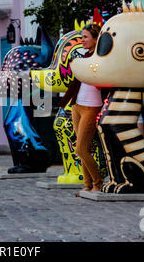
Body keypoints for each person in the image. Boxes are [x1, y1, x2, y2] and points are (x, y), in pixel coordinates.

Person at [60, 23, 103, 193]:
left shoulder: (101, 58)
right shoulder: (83, 57)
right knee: (81, 149)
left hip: (92, 106)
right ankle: (87, 184)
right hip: (77, 105)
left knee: (81, 149)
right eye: (82, 37)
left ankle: (98, 183)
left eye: (85, 37)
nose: (82, 40)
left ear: (95, 38)